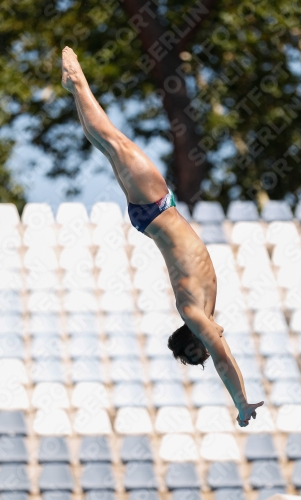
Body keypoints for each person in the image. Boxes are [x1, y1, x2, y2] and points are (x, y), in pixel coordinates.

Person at [61, 46, 264, 427]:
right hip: (155, 211)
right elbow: (221, 349)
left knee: (112, 140)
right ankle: (75, 87)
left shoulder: (192, 311)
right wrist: (241, 399)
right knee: (106, 142)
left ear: (194, 340)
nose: (208, 353)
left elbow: (222, 357)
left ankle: (76, 81)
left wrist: (240, 401)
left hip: (155, 207)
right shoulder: (205, 309)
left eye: (198, 355)